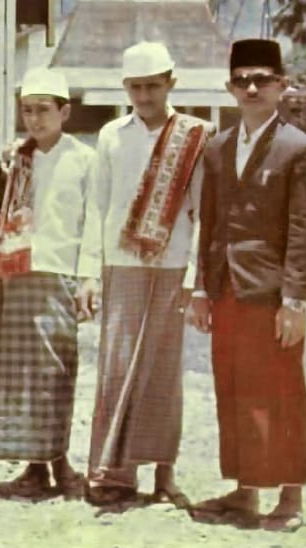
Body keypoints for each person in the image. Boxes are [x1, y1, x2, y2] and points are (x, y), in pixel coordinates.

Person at [189, 39, 306, 532]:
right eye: (241, 79)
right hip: (226, 289)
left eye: (261, 79)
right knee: (234, 387)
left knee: (281, 390)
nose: (250, 88)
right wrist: (201, 290)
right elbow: (210, 223)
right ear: (228, 87)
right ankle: (245, 490)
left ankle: (290, 497)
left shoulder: (299, 149)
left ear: (281, 86)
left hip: (271, 294)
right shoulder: (218, 147)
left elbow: (304, 230)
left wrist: (295, 300)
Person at [78, 41, 211, 509]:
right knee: (115, 369)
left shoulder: (196, 136)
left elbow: (202, 214)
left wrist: (196, 276)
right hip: (120, 264)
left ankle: (164, 474)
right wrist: (89, 274)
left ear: (171, 82)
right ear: (124, 88)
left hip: (173, 265)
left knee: (162, 373)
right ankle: (112, 474)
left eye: (153, 85)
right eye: (136, 86)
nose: (145, 95)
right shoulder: (112, 135)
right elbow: (97, 209)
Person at [0, 68, 95, 500]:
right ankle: (31, 466)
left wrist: (88, 278)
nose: (35, 119)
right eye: (27, 111)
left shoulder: (84, 159)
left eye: (43, 110)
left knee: (55, 372)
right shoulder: (15, 160)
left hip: (58, 273)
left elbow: (93, 221)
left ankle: (60, 461)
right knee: (17, 377)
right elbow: (2, 219)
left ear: (64, 111)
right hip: (14, 273)